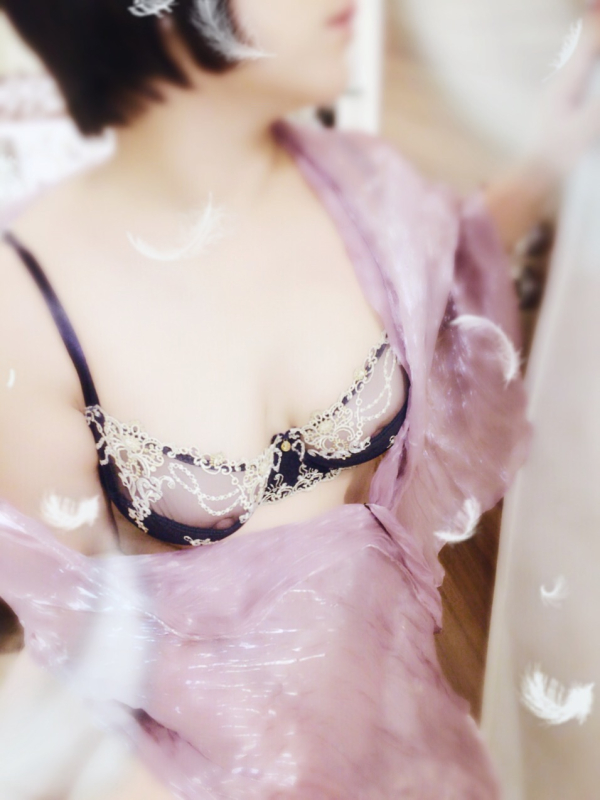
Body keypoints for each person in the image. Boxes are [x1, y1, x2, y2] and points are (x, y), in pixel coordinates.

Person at [0, 1, 598, 797]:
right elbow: (68, 643)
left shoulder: (362, 188)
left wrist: (550, 157)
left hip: (399, 730)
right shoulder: (27, 307)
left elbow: (449, 273)